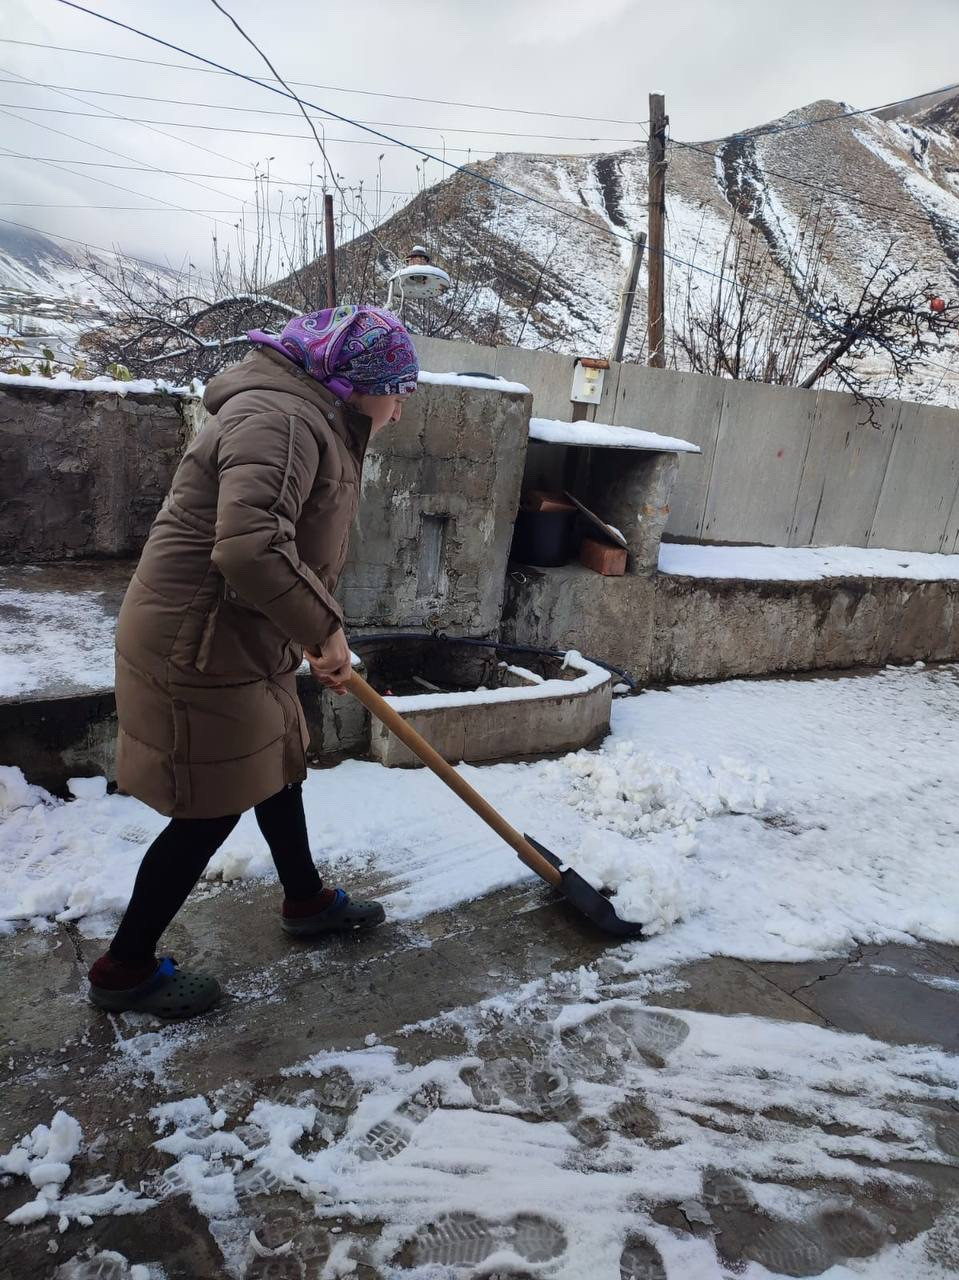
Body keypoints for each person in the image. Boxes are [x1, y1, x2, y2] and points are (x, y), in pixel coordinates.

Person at [87, 305, 419, 1019]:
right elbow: (247, 548)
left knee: (278, 762)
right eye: (399, 389)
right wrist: (324, 628)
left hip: (237, 633)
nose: (399, 410)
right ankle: (124, 969)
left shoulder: (309, 416)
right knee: (213, 805)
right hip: (196, 645)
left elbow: (277, 543)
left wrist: (303, 620)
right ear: (357, 382)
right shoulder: (285, 420)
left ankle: (306, 901)